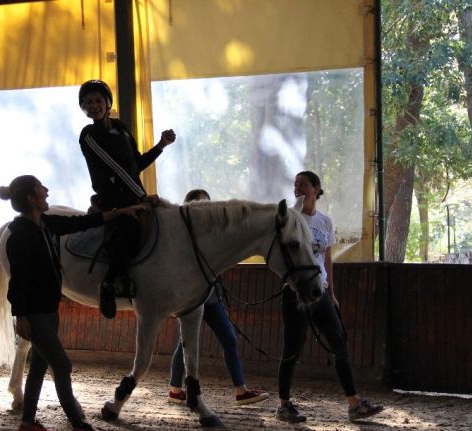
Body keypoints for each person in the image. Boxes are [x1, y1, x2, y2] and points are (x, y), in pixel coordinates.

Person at [0, 174, 144, 431]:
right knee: (62, 365)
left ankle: (27, 422)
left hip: (49, 309)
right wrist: (20, 316)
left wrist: (120, 212)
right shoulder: (19, 235)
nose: (46, 190)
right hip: (34, 314)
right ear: (32, 198)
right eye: (40, 188)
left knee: (39, 365)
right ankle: (77, 422)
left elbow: (83, 222)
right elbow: (17, 282)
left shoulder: (45, 224)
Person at [275, 171, 384, 423]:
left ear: (316, 188)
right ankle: (283, 405)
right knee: (291, 349)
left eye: (302, 184)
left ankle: (354, 404)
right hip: (296, 292)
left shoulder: (325, 221)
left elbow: (327, 258)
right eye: (294, 184)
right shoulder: (290, 219)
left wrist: (332, 292)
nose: (297, 188)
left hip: (320, 290)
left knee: (339, 345)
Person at [77, 79, 176, 319]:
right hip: (113, 199)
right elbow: (116, 169)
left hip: (133, 194)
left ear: (108, 103)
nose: (94, 105)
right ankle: (109, 285)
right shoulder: (89, 135)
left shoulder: (121, 128)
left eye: (98, 100)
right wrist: (142, 197)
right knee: (127, 229)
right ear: (84, 108)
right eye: (88, 102)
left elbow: (135, 164)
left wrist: (161, 146)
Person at [167, 189, 269, 407]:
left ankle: (240, 390)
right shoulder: (181, 234)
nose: (206, 209)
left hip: (211, 296)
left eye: (207, 204)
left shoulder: (213, 233)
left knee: (229, 338)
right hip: (191, 296)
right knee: (186, 343)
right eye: (200, 205)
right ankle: (175, 388)